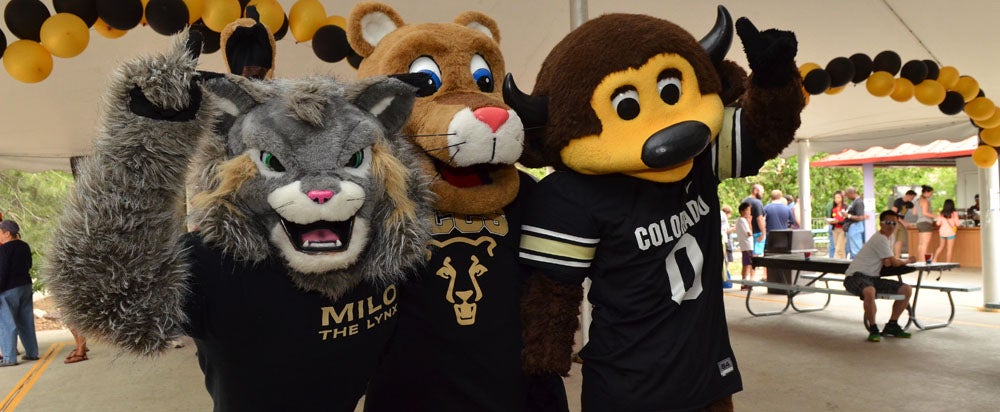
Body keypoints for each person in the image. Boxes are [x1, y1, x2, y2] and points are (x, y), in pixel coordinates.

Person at [843, 210, 915, 342]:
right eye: (888, 222)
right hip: (854, 277)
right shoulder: (879, 238)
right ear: (881, 223)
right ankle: (874, 328)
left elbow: (887, 261)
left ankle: (892, 325)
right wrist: (908, 261)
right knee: (870, 291)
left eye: (894, 223)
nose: (891, 226)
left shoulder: (890, 238)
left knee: (906, 289)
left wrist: (891, 260)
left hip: (873, 278)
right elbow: (893, 262)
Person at [0, 220, 39, 366]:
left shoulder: (4, 250)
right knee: (26, 321)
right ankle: (32, 353)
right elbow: (29, 264)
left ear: (7, 233)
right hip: (25, 285)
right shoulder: (24, 246)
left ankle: (9, 358)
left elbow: (2, 272)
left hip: (8, 289)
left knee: (6, 323)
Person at [843, 187, 868, 258]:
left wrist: (848, 215)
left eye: (847, 195)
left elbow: (860, 217)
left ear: (851, 193)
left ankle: (858, 266)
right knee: (851, 250)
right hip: (851, 227)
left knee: (856, 250)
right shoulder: (853, 202)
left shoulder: (859, 202)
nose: (847, 197)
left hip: (855, 227)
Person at [891, 190, 917, 259]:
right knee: (893, 240)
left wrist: (915, 205)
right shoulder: (898, 201)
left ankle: (897, 257)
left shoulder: (909, 203)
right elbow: (893, 213)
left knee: (900, 240)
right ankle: (890, 257)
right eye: (912, 197)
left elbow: (915, 212)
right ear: (908, 195)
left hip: (901, 223)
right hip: (894, 223)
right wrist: (903, 222)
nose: (912, 199)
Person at [742, 184, 766, 257]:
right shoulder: (757, 202)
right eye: (762, 192)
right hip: (757, 233)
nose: (762, 195)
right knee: (756, 255)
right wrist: (763, 233)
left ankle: (750, 268)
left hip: (746, 232)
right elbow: (759, 218)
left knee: (747, 256)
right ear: (755, 191)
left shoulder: (744, 201)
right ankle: (753, 268)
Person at [934, 199, 961, 263]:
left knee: (941, 246)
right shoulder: (954, 213)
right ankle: (948, 264)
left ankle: (934, 259)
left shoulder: (941, 213)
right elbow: (958, 224)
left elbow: (938, 223)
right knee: (949, 249)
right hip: (951, 233)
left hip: (942, 232)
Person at [915, 185, 936, 263]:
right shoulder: (925, 201)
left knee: (921, 243)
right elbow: (925, 213)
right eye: (931, 193)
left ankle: (920, 260)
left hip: (919, 222)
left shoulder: (917, 200)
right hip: (926, 222)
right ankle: (924, 262)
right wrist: (937, 216)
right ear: (926, 192)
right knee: (925, 244)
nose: (931, 194)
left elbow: (914, 212)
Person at [736, 202, 755, 285]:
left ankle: (745, 282)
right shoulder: (742, 220)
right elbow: (749, 233)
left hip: (747, 245)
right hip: (747, 245)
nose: (749, 212)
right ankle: (744, 282)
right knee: (747, 264)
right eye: (748, 210)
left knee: (747, 263)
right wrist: (750, 222)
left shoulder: (741, 220)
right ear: (742, 211)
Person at [826, 190, 848, 259]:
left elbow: (846, 220)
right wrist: (830, 221)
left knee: (838, 249)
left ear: (842, 198)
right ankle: (843, 264)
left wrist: (838, 222)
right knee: (840, 249)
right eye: (835, 198)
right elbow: (832, 218)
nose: (836, 199)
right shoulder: (833, 208)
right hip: (835, 229)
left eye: (838, 197)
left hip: (842, 229)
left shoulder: (845, 207)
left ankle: (834, 264)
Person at [721, 205, 736, 288]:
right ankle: (724, 276)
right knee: (726, 260)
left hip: (724, 240)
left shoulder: (720, 216)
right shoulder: (723, 217)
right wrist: (733, 228)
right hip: (725, 240)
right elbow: (726, 231)